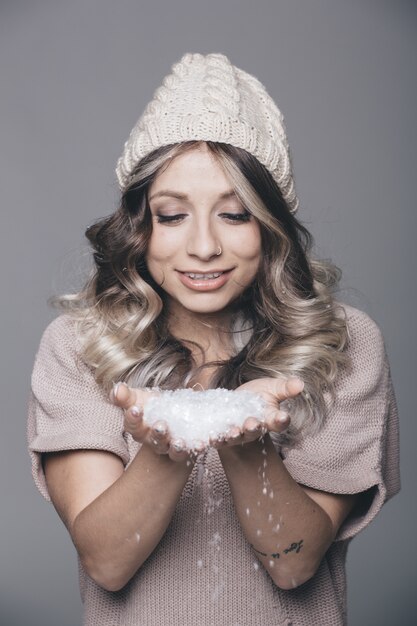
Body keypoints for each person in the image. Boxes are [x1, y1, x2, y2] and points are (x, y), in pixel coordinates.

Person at [27, 52, 400, 626]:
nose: (203, 246)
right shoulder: (80, 347)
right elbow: (107, 562)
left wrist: (246, 444)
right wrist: (165, 449)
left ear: (271, 227)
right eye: (172, 216)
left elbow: (294, 566)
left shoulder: (343, 345)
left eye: (234, 214)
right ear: (138, 228)